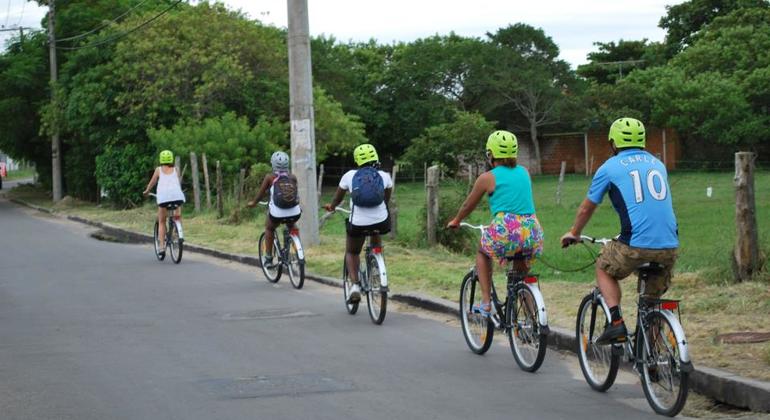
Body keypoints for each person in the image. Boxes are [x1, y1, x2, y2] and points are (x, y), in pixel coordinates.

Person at [560, 117, 678, 345]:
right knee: (651, 302)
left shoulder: (609, 167)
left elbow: (587, 207)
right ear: (642, 141)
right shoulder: (658, 164)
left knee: (604, 266)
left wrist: (574, 232)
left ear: (613, 143)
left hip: (635, 245)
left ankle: (616, 323)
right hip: (669, 246)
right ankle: (652, 361)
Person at [447, 130, 544, 316]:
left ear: (490, 155)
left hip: (507, 229)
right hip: (533, 230)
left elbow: (469, 204)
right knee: (520, 276)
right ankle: (533, 321)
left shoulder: (487, 177)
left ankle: (485, 302)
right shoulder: (524, 172)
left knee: (483, 252)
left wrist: (457, 220)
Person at [324, 144, 392, 303]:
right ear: (375, 157)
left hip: (359, 223)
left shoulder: (349, 176)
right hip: (381, 221)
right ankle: (377, 264)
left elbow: (337, 198)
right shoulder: (384, 176)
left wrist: (332, 207)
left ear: (357, 160)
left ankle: (354, 286)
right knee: (376, 231)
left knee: (352, 252)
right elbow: (386, 198)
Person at [247, 151, 301, 268]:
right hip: (295, 212)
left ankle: (268, 258)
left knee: (269, 228)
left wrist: (253, 203)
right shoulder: (293, 177)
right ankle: (296, 253)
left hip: (277, 213)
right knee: (292, 227)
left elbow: (261, 194)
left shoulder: (270, 178)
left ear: (273, 164)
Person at [143, 150, 186, 257]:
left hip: (164, 198)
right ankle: (177, 232)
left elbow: (152, 182)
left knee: (162, 221)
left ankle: (161, 247)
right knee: (177, 214)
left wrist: (147, 191)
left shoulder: (158, 170)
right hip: (177, 196)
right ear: (171, 159)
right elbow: (177, 181)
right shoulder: (176, 169)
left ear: (161, 159)